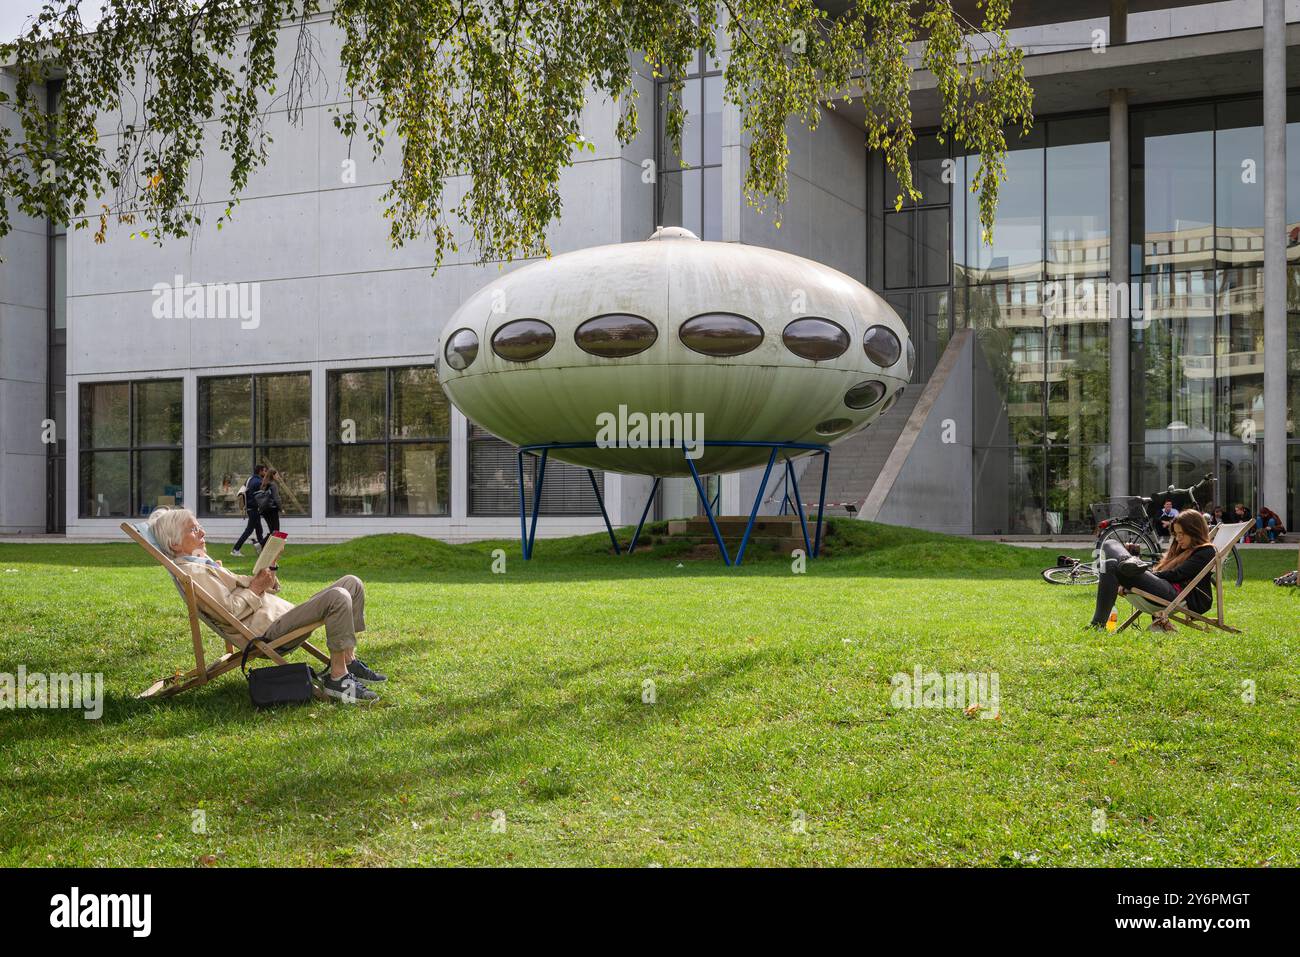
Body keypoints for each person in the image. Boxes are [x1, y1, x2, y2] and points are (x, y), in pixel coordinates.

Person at [147, 507, 386, 703]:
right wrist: (256, 588)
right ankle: (337, 677)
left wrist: (267, 574)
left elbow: (250, 589)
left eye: (199, 526)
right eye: (193, 529)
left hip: (282, 618)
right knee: (339, 596)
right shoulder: (194, 572)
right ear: (175, 544)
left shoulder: (204, 563)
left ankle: (348, 661)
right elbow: (230, 611)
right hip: (265, 635)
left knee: (352, 584)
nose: (202, 532)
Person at [1089, 509, 1218, 633]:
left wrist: (1149, 573)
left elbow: (1177, 575)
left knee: (1113, 564)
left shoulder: (1206, 551)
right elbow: (1163, 572)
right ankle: (1132, 563)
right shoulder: (1182, 549)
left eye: (1181, 534)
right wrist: (1149, 572)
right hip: (1162, 586)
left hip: (1174, 594)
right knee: (1109, 545)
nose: (1178, 538)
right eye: (1176, 534)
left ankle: (1097, 625)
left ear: (1194, 532)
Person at [231, 465, 268, 557]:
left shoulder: (249, 479)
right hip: (254, 509)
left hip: (250, 508)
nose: (265, 473)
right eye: (264, 471)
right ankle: (236, 549)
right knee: (249, 530)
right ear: (260, 471)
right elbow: (262, 496)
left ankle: (262, 551)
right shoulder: (258, 482)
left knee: (259, 530)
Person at [254, 468, 283, 534]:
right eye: (277, 475)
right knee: (276, 531)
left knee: (272, 530)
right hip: (272, 509)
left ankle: (262, 543)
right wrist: (281, 508)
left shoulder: (263, 484)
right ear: (273, 475)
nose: (278, 476)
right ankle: (263, 543)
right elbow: (276, 498)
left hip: (264, 510)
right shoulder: (273, 485)